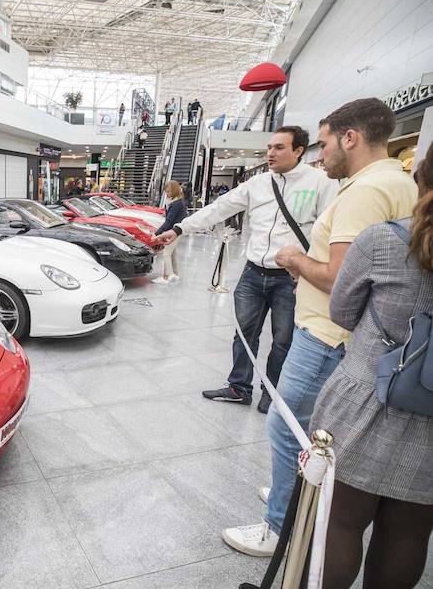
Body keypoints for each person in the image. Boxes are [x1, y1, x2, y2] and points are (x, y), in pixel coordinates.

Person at [221, 98, 418, 557]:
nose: (320, 154)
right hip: (358, 338)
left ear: (350, 138)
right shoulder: (397, 181)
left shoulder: (364, 192)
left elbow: (339, 278)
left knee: (286, 426)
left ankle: (278, 530)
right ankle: (292, 496)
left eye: (325, 143)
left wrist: (292, 258)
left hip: (328, 335)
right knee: (313, 429)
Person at [311, 141, 433, 589]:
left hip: (368, 400)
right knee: (411, 530)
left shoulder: (385, 239)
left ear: (421, 177)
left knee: (341, 521)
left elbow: (342, 312)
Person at [155, 126, 339, 415]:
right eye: (269, 147)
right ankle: (239, 387)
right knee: (244, 334)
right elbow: (219, 208)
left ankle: (272, 392)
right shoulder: (258, 183)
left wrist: (311, 268)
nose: (270, 153)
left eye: (279, 147)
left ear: (299, 150)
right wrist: (179, 228)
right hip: (253, 274)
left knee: (283, 340)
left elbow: (330, 233)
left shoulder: (320, 183)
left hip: (289, 279)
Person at [151, 182, 187, 284]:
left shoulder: (176, 203)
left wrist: (157, 234)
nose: (166, 194)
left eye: (168, 191)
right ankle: (175, 274)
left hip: (175, 231)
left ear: (174, 190)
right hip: (176, 230)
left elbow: (169, 221)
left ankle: (165, 277)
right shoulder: (177, 201)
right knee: (173, 253)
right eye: (166, 191)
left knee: (166, 253)